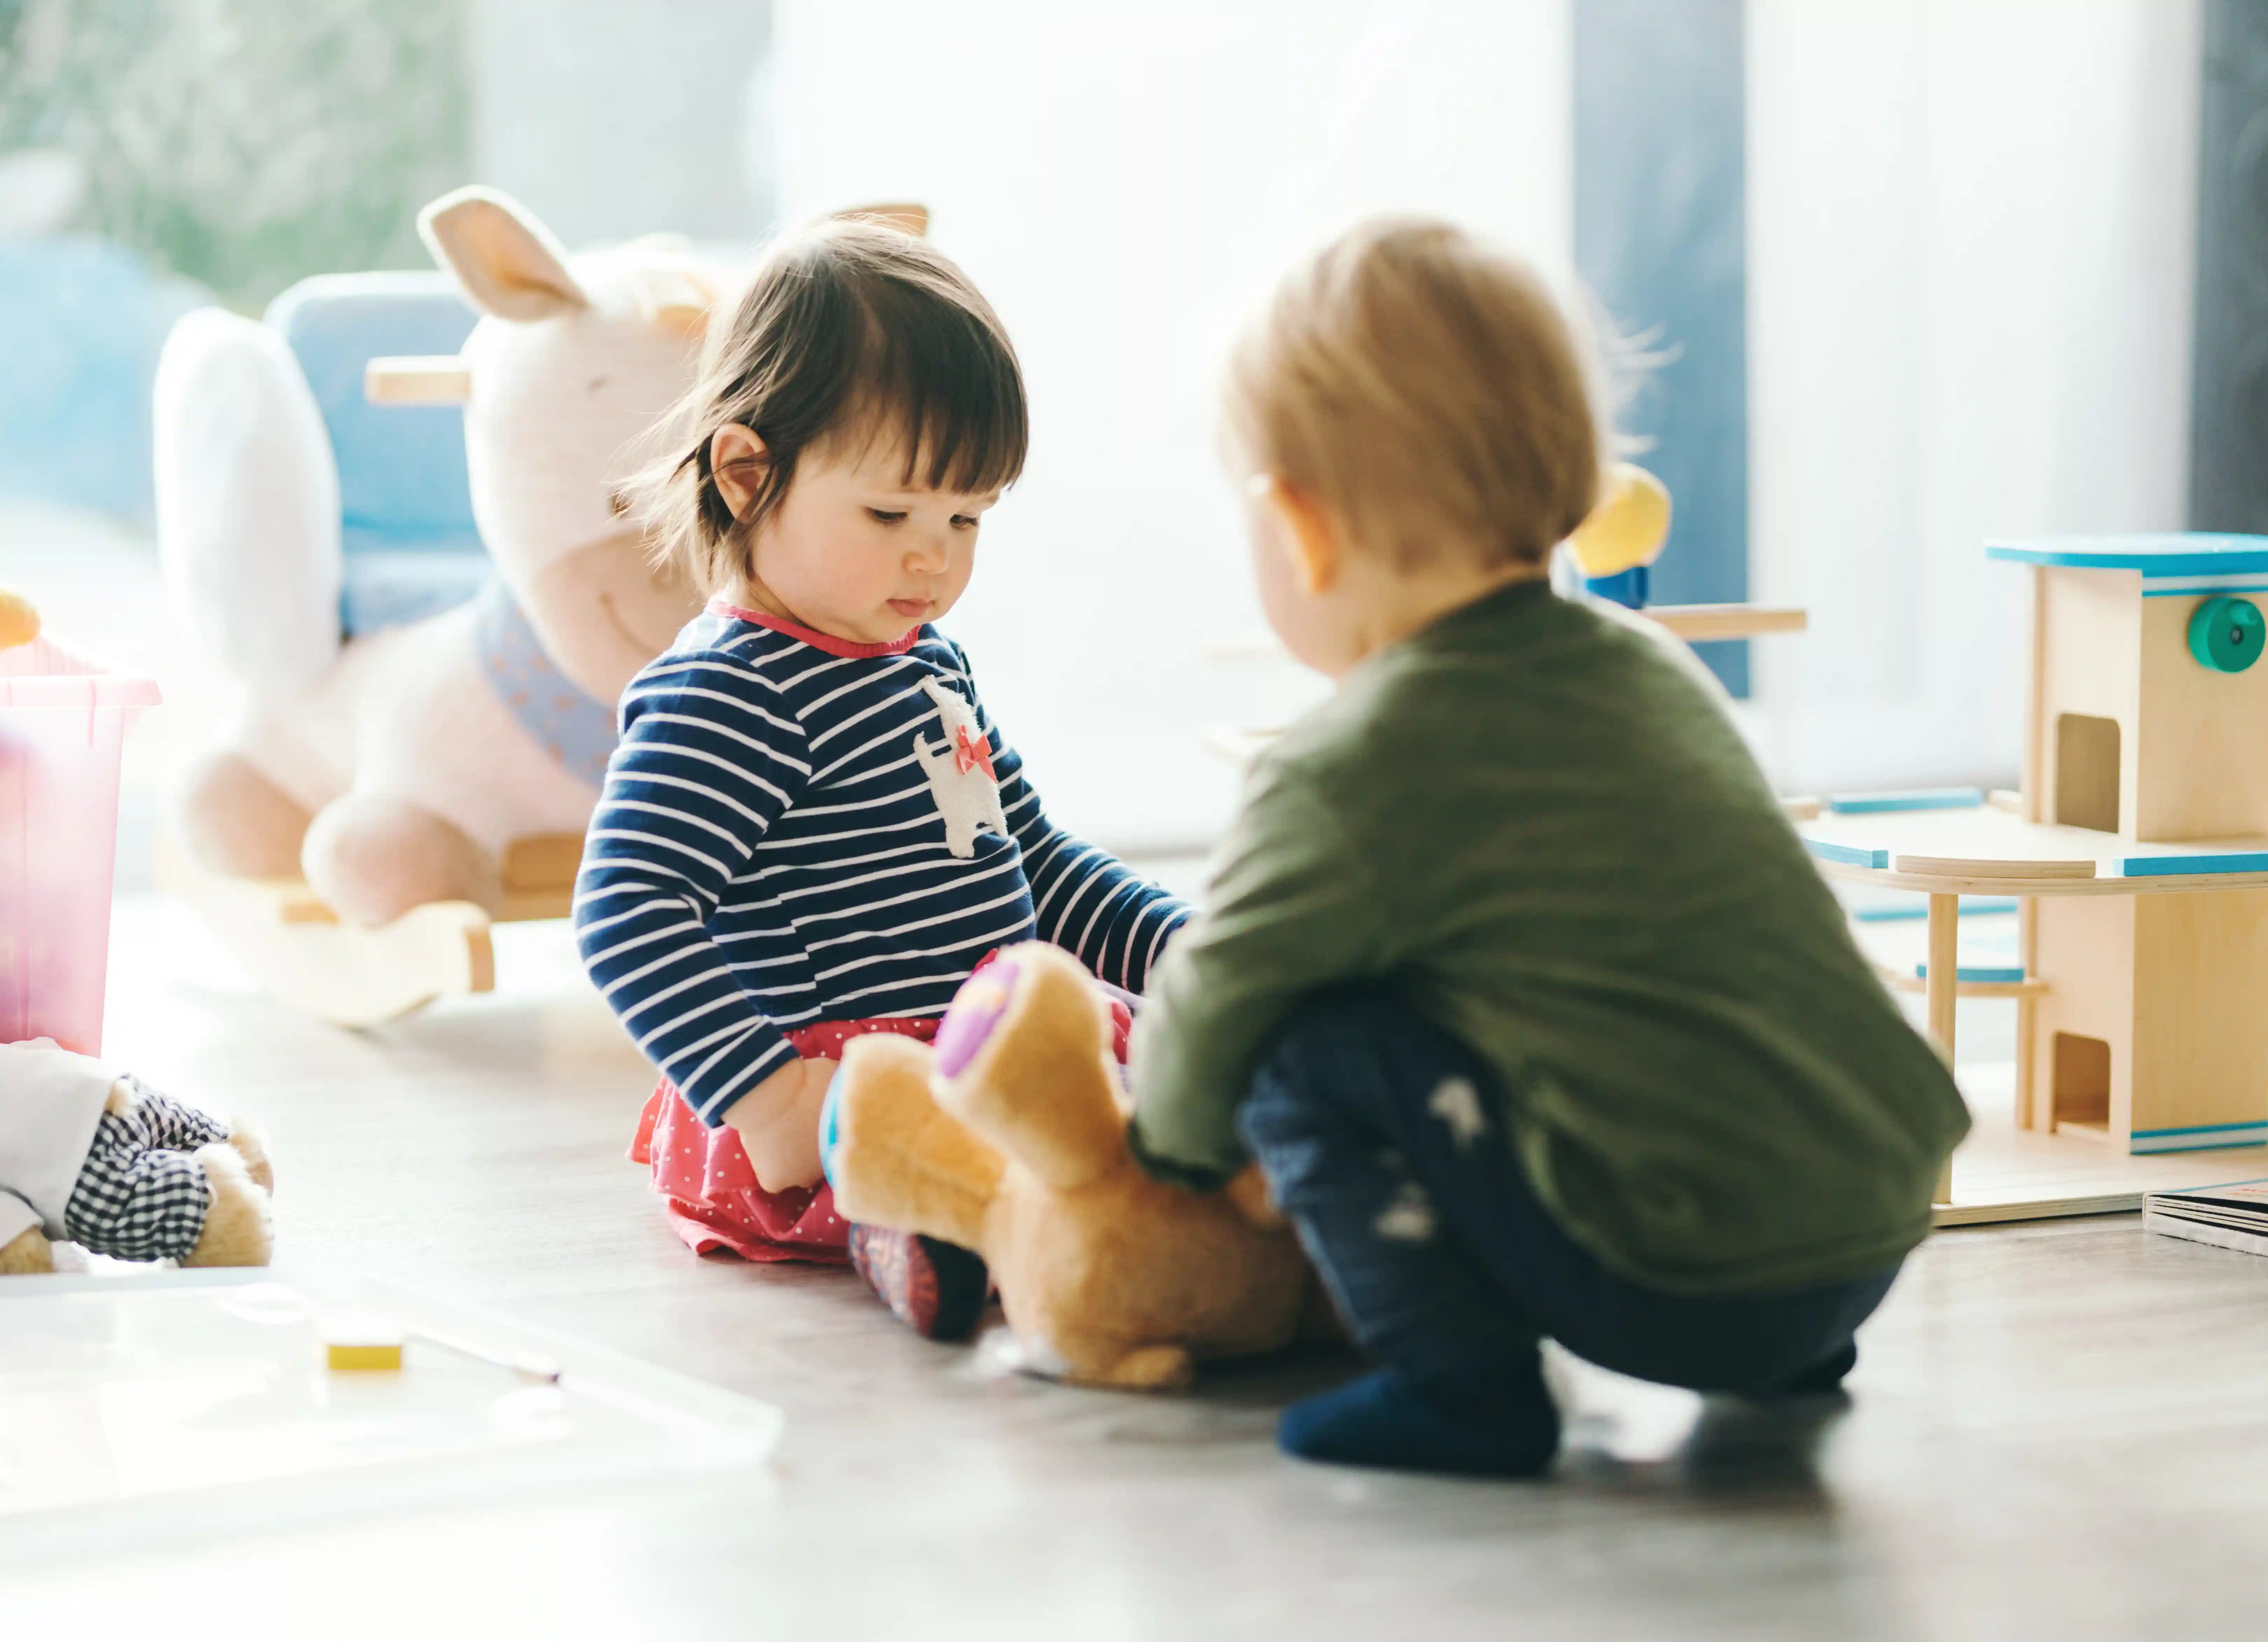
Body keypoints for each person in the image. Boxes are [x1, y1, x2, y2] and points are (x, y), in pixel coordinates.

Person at [1128, 220, 1970, 1478]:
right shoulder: (1653, 672)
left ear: (1298, 527)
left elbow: (1213, 998)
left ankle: (1461, 1391)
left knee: (1303, 1044)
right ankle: (1781, 1359)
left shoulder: (1349, 764)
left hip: (1676, 1279)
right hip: (1864, 1237)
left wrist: (1166, 1153)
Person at [575, 217, 1187, 1338]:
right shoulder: (732, 691)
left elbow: (1034, 861)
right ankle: (910, 1227)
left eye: (966, 517)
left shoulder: (926, 660)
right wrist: (771, 1098)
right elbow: (625, 912)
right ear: (748, 472)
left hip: (982, 1040)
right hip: (841, 1095)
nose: (936, 558)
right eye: (891, 513)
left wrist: (1178, 948)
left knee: (1165, 1087)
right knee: (1018, 1163)